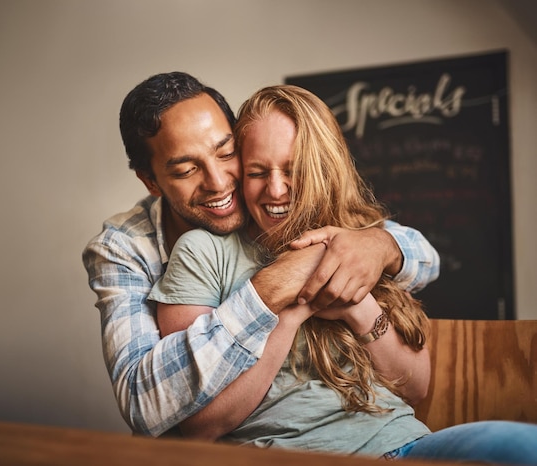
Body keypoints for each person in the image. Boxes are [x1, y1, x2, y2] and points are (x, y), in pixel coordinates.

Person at [149, 84, 537, 464]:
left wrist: (358, 304)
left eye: (293, 169)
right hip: (289, 454)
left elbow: (416, 388)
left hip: (406, 444)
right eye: (257, 172)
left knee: (523, 447)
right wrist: (295, 306)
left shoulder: (356, 239)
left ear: (322, 169)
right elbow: (200, 424)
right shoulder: (204, 253)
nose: (276, 189)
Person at [82, 72, 440, 437]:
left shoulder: (290, 216)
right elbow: (146, 405)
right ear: (151, 182)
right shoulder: (123, 248)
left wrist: (381, 246)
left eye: (226, 153)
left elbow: (425, 261)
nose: (220, 183)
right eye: (187, 170)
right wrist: (280, 289)